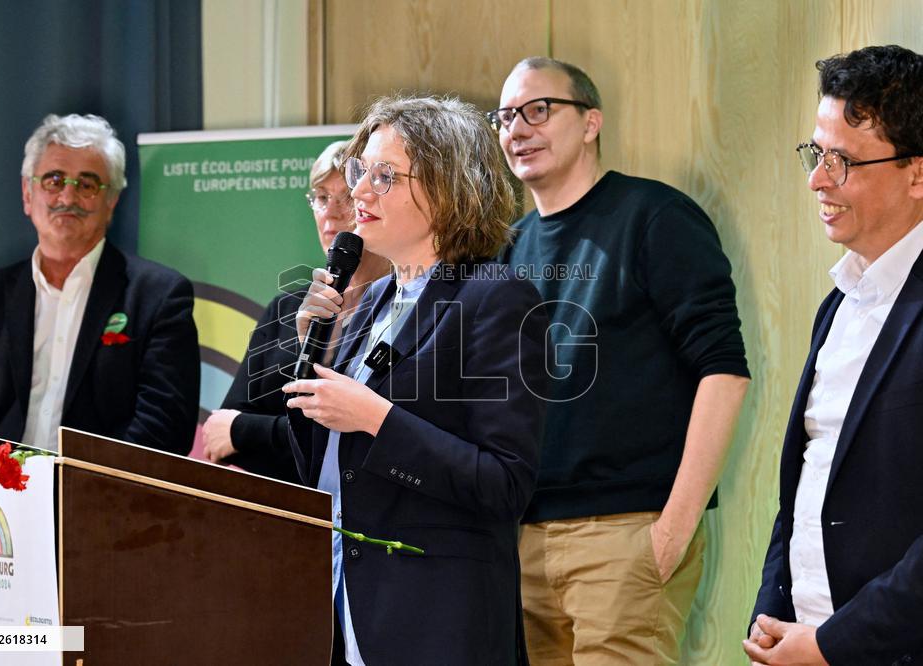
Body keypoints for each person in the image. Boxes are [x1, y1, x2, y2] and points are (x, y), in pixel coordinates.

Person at [492, 57, 750, 664]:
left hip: (627, 533)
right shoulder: (508, 246)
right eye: (505, 117)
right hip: (524, 542)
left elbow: (725, 373)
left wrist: (669, 534)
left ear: (590, 123)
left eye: (538, 110)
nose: (517, 129)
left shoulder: (655, 217)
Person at [282, 95, 549, 665]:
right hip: (343, 607)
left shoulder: (494, 297)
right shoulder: (374, 298)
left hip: (436, 622)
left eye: (385, 176)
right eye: (361, 172)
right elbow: (324, 467)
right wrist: (313, 347)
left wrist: (376, 419)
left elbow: (505, 485)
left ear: (450, 187)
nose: (359, 192)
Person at [745, 45, 923, 666]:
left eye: (842, 161)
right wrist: (772, 615)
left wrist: (831, 645)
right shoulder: (839, 302)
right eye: (816, 155)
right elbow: (805, 483)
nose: (817, 179)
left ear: (917, 173)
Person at [0, 113, 199, 471]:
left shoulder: (159, 296)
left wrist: (76, 492)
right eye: (53, 180)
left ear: (111, 201)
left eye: (87, 184)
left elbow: (165, 429)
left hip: (104, 509)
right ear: (28, 193)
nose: (67, 195)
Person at [201, 141, 390, 478]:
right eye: (320, 197)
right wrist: (250, 432)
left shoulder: (401, 307)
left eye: (345, 197)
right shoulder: (286, 308)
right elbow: (219, 431)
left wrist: (247, 432)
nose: (330, 212)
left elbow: (355, 437)